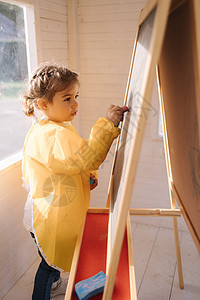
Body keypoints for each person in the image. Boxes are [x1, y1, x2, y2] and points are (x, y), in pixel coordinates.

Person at [21, 63, 126, 300]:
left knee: (49, 262)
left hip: (44, 208)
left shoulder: (51, 127)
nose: (75, 104)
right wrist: (108, 124)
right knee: (48, 266)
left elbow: (68, 164)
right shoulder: (52, 134)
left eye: (76, 96)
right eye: (67, 98)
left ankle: (56, 283)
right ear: (43, 104)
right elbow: (87, 156)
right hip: (47, 217)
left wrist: (86, 175)